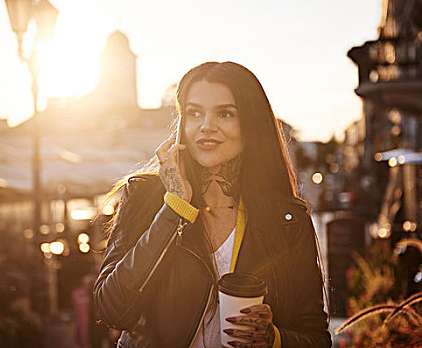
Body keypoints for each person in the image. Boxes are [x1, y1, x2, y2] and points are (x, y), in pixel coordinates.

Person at [93, 61, 331, 348]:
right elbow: (112, 308)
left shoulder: (287, 219)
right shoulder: (144, 196)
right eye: (194, 113)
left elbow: (316, 337)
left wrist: (274, 339)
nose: (207, 126)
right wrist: (174, 207)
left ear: (251, 125)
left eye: (225, 113)